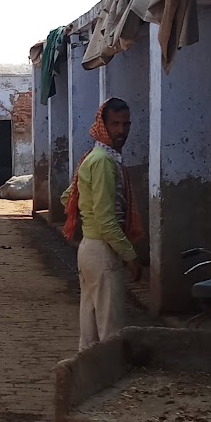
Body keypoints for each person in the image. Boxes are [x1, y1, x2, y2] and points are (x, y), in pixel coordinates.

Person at [62, 97, 146, 349]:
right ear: (103, 125)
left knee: (90, 329)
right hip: (102, 250)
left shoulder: (95, 156)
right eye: (115, 124)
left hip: (90, 248)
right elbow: (107, 219)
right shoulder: (103, 162)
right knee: (110, 329)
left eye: (126, 124)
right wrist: (130, 256)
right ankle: (109, 380)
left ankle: (85, 380)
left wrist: (85, 213)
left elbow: (68, 196)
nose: (122, 131)